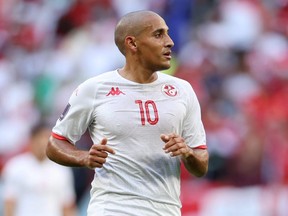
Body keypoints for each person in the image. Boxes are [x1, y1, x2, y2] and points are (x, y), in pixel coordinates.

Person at [46, 10, 209, 216]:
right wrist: (84, 157)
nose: (170, 42)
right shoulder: (95, 88)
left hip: (165, 210)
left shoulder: (183, 90)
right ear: (132, 43)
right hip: (112, 208)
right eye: (158, 35)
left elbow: (201, 163)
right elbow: (55, 143)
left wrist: (187, 153)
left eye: (167, 33)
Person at [2, 123, 77, 216]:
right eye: (41, 138)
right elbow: (9, 203)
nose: (43, 142)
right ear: (32, 140)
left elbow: (67, 205)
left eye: (48, 138)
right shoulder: (16, 167)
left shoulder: (61, 170)